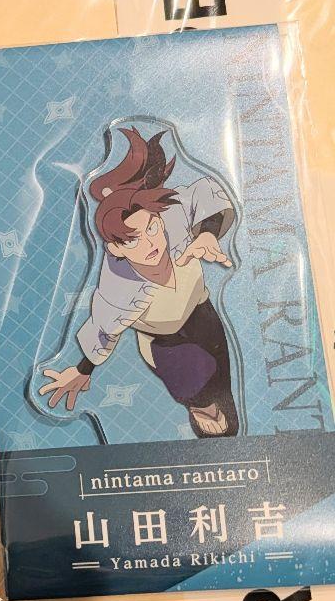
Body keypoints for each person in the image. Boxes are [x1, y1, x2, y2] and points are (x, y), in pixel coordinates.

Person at [39, 126, 240, 437]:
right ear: (115, 248)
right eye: (133, 240)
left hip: (203, 315)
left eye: (151, 228)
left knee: (222, 387)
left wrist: (208, 233)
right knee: (198, 391)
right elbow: (105, 329)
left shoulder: (170, 218)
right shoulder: (118, 289)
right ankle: (201, 410)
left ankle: (226, 426)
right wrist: (82, 371)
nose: (150, 243)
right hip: (166, 344)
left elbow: (205, 193)